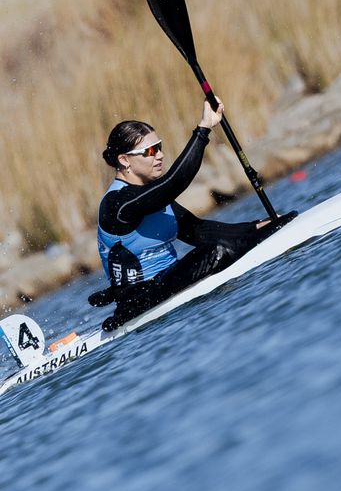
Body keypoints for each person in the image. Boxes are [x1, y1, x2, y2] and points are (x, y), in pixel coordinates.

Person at [91, 99, 289, 331]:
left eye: (160, 147)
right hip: (136, 301)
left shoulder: (155, 197)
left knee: (216, 245)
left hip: (165, 282)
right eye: (150, 151)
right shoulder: (117, 204)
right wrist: (204, 129)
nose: (160, 155)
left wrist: (260, 227)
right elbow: (174, 182)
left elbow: (199, 231)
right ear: (124, 160)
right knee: (217, 251)